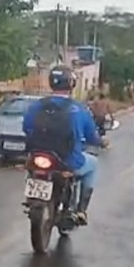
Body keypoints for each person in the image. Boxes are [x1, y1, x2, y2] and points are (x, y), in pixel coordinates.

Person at [23, 66, 108, 225]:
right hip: (67, 161)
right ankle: (81, 210)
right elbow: (92, 136)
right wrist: (101, 141)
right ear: (71, 84)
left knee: (31, 170)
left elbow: (26, 128)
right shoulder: (79, 109)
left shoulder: (36, 106)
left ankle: (32, 197)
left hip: (37, 156)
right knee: (93, 164)